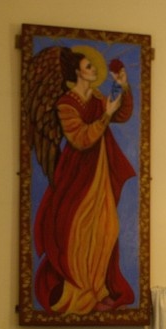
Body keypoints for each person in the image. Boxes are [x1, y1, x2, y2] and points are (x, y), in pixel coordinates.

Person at [34, 45, 136, 315]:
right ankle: (77, 293)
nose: (94, 69)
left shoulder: (97, 95)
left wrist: (123, 88)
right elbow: (80, 139)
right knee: (78, 231)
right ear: (76, 72)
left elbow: (122, 115)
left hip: (100, 172)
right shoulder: (66, 103)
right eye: (89, 66)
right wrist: (106, 114)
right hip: (78, 175)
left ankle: (98, 288)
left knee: (108, 228)